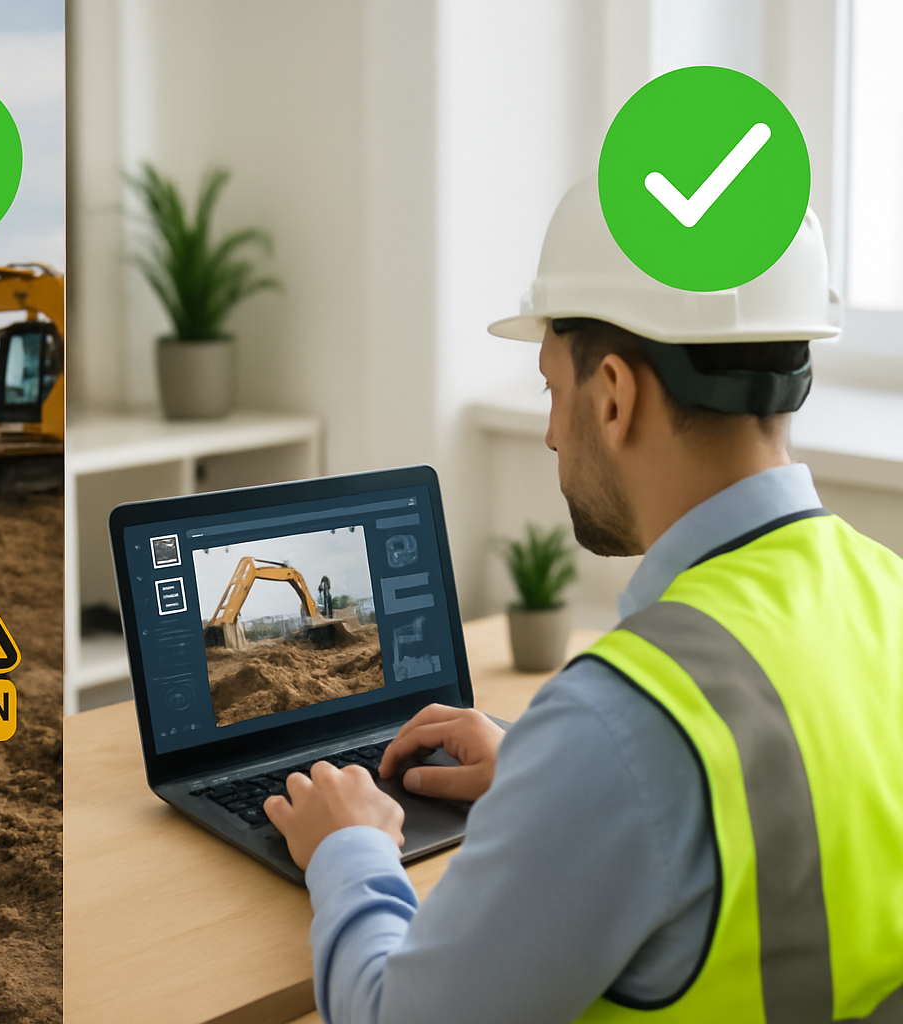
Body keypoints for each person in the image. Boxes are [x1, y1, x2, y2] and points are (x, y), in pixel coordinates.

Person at [265, 178, 903, 1022]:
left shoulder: (621, 717)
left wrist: (348, 847)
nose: (553, 433)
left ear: (612, 393)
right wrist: (547, 774)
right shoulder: (884, 587)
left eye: (552, 392)